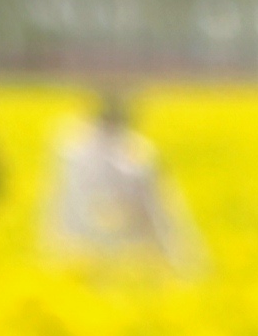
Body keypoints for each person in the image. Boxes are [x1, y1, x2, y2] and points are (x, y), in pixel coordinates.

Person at [42, 90, 200, 273]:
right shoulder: (136, 158)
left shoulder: (70, 150)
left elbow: (55, 209)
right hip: (129, 260)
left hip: (75, 256)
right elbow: (160, 215)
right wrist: (183, 260)